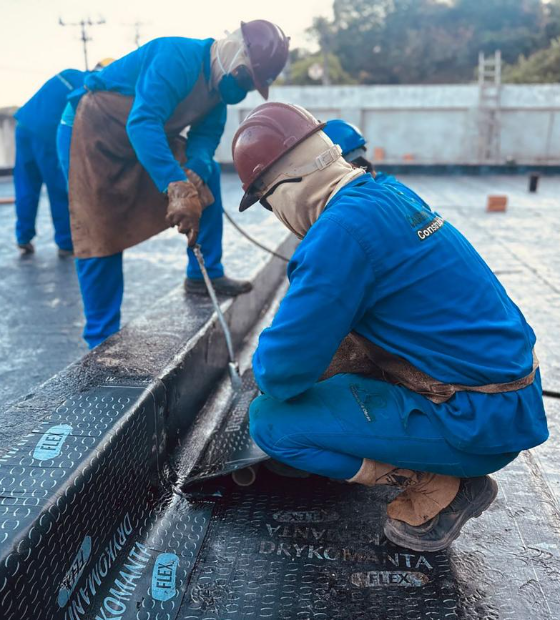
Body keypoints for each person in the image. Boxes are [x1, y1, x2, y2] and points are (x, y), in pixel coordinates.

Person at [231, 103, 548, 552]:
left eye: (266, 204)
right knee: (336, 364)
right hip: (509, 401)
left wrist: (280, 363)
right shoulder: (385, 193)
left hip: (477, 423)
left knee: (272, 421)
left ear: (282, 189)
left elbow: (280, 374)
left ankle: (444, 486)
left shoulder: (338, 235)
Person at [57, 22, 289, 348]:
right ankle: (101, 337)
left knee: (205, 179)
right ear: (234, 53)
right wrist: (176, 186)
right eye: (243, 78)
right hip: (93, 131)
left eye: (250, 86)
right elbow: (143, 122)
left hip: (143, 135)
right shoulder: (176, 56)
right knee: (98, 225)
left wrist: (193, 171)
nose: (242, 89)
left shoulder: (217, 92)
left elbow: (204, 138)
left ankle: (203, 274)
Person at [12, 60, 112, 256]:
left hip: (23, 127)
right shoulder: (91, 86)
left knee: (25, 185)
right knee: (59, 187)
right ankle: (66, 243)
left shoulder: (68, 73)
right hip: (47, 135)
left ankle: (23, 238)